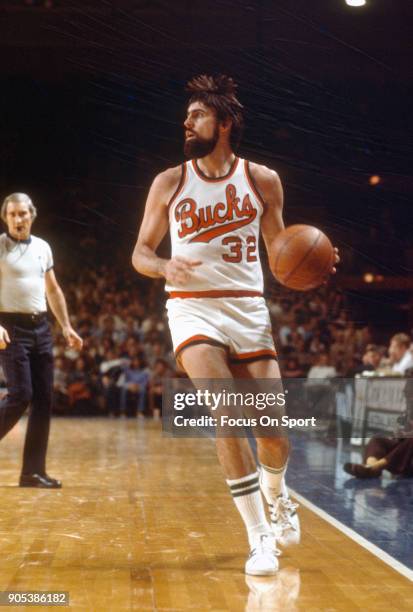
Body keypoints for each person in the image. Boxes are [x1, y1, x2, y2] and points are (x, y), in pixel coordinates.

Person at [132, 75, 338, 575]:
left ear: (224, 123)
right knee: (225, 410)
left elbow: (279, 254)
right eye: (187, 116)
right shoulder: (170, 181)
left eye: (198, 115)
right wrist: (165, 266)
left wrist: (309, 270)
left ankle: (276, 491)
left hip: (247, 308)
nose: (187, 122)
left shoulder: (262, 180)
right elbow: (140, 253)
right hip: (191, 307)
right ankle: (258, 538)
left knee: (271, 431)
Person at [0, 192, 83, 488]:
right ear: (5, 218)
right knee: (20, 394)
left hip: (41, 328)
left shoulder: (43, 248)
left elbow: (54, 290)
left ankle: (32, 472)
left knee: (44, 400)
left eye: (23, 213)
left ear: (32, 215)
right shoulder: (0, 246)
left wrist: (66, 326)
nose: (18, 219)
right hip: (10, 327)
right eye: (12, 215)